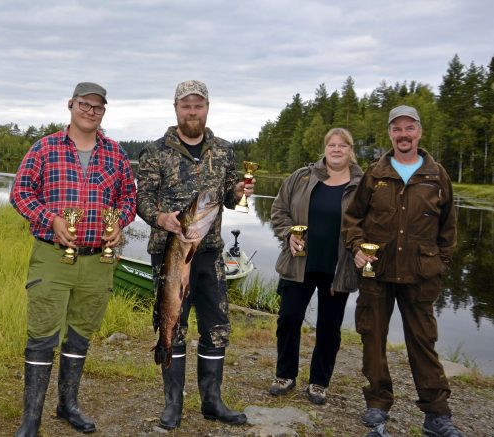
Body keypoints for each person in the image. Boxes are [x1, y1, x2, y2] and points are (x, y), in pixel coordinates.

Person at [9, 82, 136, 436]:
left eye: (98, 107)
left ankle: (68, 405)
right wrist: (51, 218)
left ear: (103, 112)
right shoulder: (45, 147)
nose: (91, 111)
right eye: (85, 104)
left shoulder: (115, 153)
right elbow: (19, 193)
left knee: (80, 335)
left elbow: (129, 198)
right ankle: (31, 418)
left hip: (98, 260)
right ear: (71, 105)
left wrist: (120, 223)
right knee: (42, 335)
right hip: (52, 256)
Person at [136, 80, 252, 430]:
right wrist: (161, 219)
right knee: (174, 324)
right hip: (171, 251)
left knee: (216, 327)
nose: (192, 111)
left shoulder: (224, 150)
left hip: (210, 252)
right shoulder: (156, 151)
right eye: (186, 105)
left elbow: (229, 200)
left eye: (198, 105)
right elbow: (142, 199)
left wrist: (240, 191)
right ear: (176, 109)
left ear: (207, 108)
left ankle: (212, 401)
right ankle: (173, 403)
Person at [343, 105, 463, 437]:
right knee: (372, 340)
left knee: (424, 343)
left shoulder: (437, 176)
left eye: (409, 128)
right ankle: (377, 405)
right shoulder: (374, 174)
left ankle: (436, 414)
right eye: (397, 129)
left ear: (419, 132)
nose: (404, 135)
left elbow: (449, 230)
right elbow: (352, 219)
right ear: (390, 134)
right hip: (375, 273)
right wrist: (356, 248)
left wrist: (440, 266)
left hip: (421, 276)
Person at [268, 128, 363, 405]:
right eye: (331, 145)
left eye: (342, 146)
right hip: (299, 263)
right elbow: (278, 210)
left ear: (350, 150)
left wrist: (361, 249)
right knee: (288, 318)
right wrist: (288, 234)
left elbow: (371, 223)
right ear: (325, 148)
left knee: (329, 327)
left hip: (338, 266)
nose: (336, 150)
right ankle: (285, 375)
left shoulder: (362, 184)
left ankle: (319, 382)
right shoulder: (302, 177)